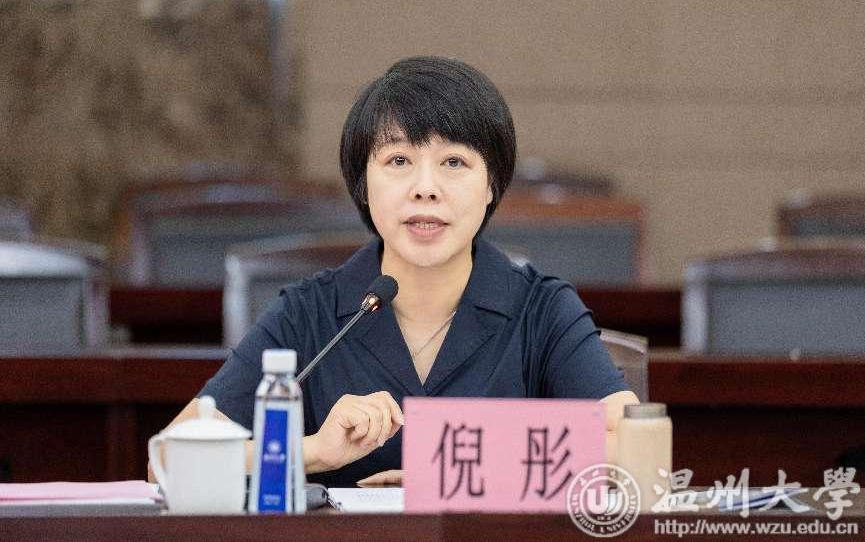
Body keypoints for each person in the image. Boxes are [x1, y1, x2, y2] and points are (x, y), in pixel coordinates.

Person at [151, 56, 639, 487]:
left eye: (454, 162)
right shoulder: (308, 313)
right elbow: (168, 460)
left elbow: (640, 448)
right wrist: (314, 451)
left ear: (492, 184)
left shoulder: (542, 309)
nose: (426, 187)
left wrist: (458, 466)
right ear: (364, 184)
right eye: (399, 160)